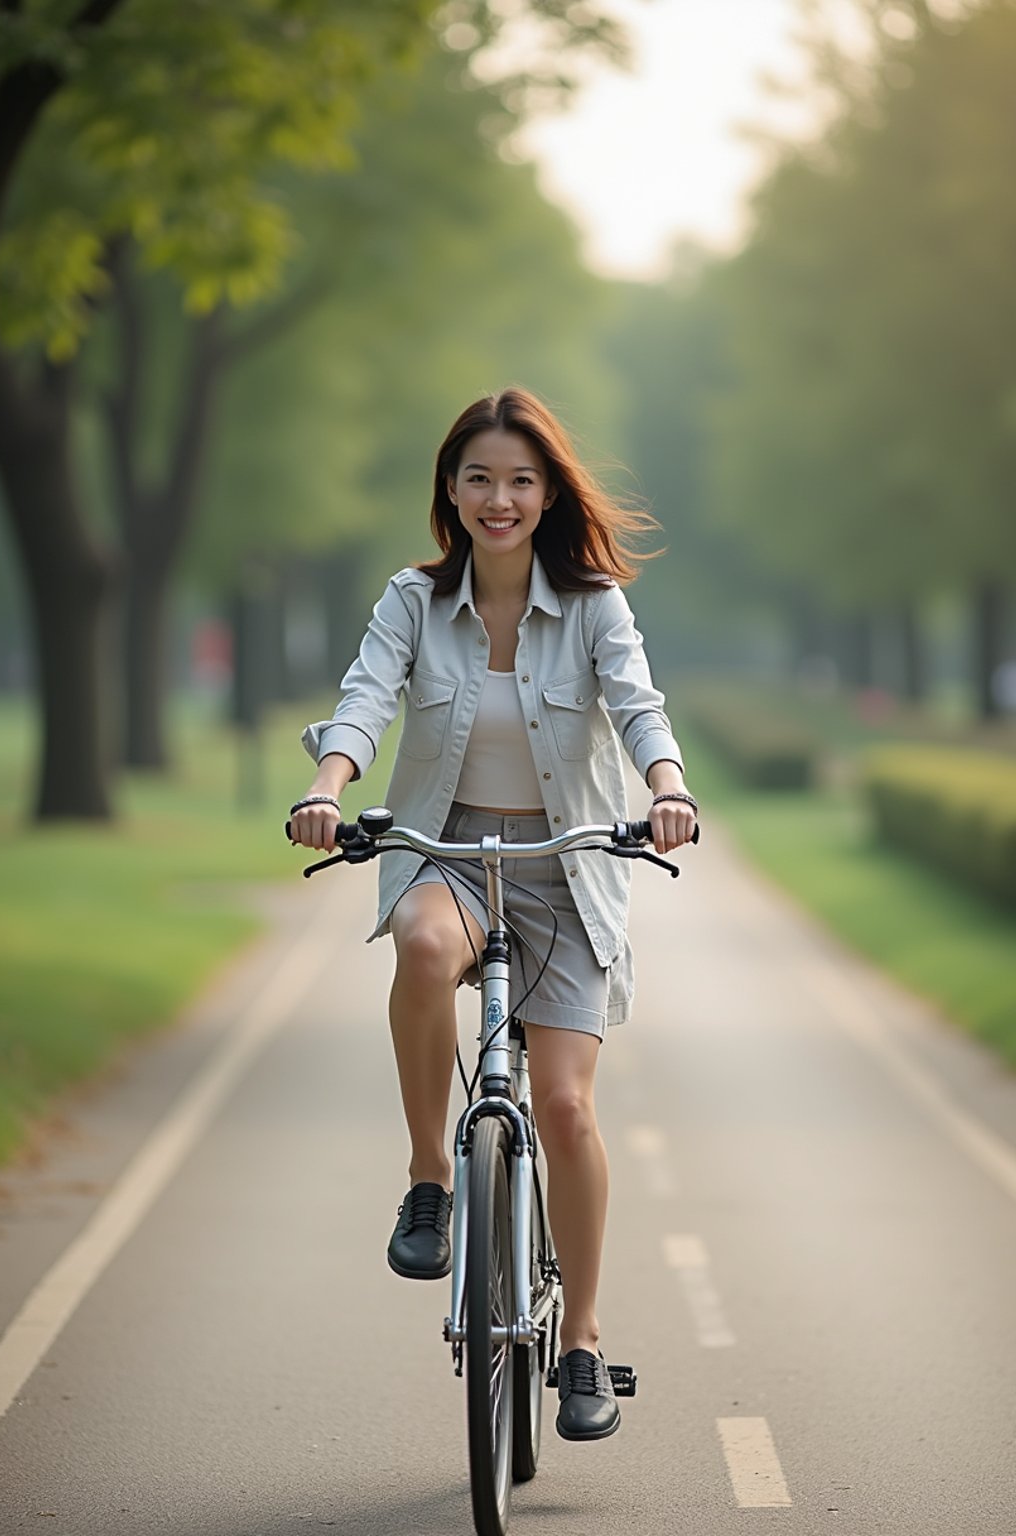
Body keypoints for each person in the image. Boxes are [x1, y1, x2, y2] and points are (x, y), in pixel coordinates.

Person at [289, 387, 697, 1442]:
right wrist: (331, 787)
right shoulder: (411, 601)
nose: (499, 497)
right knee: (421, 944)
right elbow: (365, 695)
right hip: (453, 851)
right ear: (451, 491)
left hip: (566, 866)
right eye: (479, 477)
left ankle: (584, 1342)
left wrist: (665, 788)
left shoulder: (596, 605)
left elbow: (638, 701)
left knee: (563, 1111)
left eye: (520, 479)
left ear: (548, 491)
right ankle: (430, 1177)